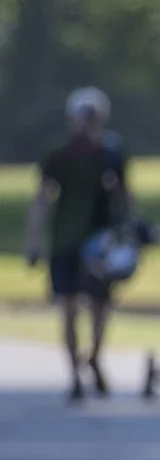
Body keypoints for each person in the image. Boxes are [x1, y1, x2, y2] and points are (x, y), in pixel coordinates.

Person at [24, 87, 129, 402]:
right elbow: (42, 199)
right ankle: (74, 374)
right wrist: (33, 240)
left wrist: (128, 232)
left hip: (100, 243)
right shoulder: (59, 154)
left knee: (99, 306)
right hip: (65, 242)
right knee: (68, 307)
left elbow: (124, 197)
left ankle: (94, 356)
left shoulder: (110, 153)